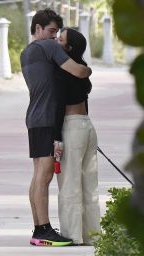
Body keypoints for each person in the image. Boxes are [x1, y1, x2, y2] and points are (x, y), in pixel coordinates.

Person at [20, 9, 92, 247]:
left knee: (39, 174)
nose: (54, 38)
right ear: (38, 28)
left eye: (56, 34)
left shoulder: (27, 52)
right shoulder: (48, 47)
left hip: (35, 118)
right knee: (46, 173)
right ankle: (43, 230)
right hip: (48, 119)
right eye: (51, 31)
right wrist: (88, 69)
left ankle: (39, 229)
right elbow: (79, 71)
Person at [55, 28, 101, 245]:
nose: (56, 40)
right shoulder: (82, 70)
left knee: (69, 183)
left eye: (60, 38)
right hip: (87, 126)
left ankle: (72, 235)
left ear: (69, 47)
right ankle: (92, 235)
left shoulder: (62, 71)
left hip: (72, 127)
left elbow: (57, 108)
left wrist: (56, 138)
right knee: (89, 185)